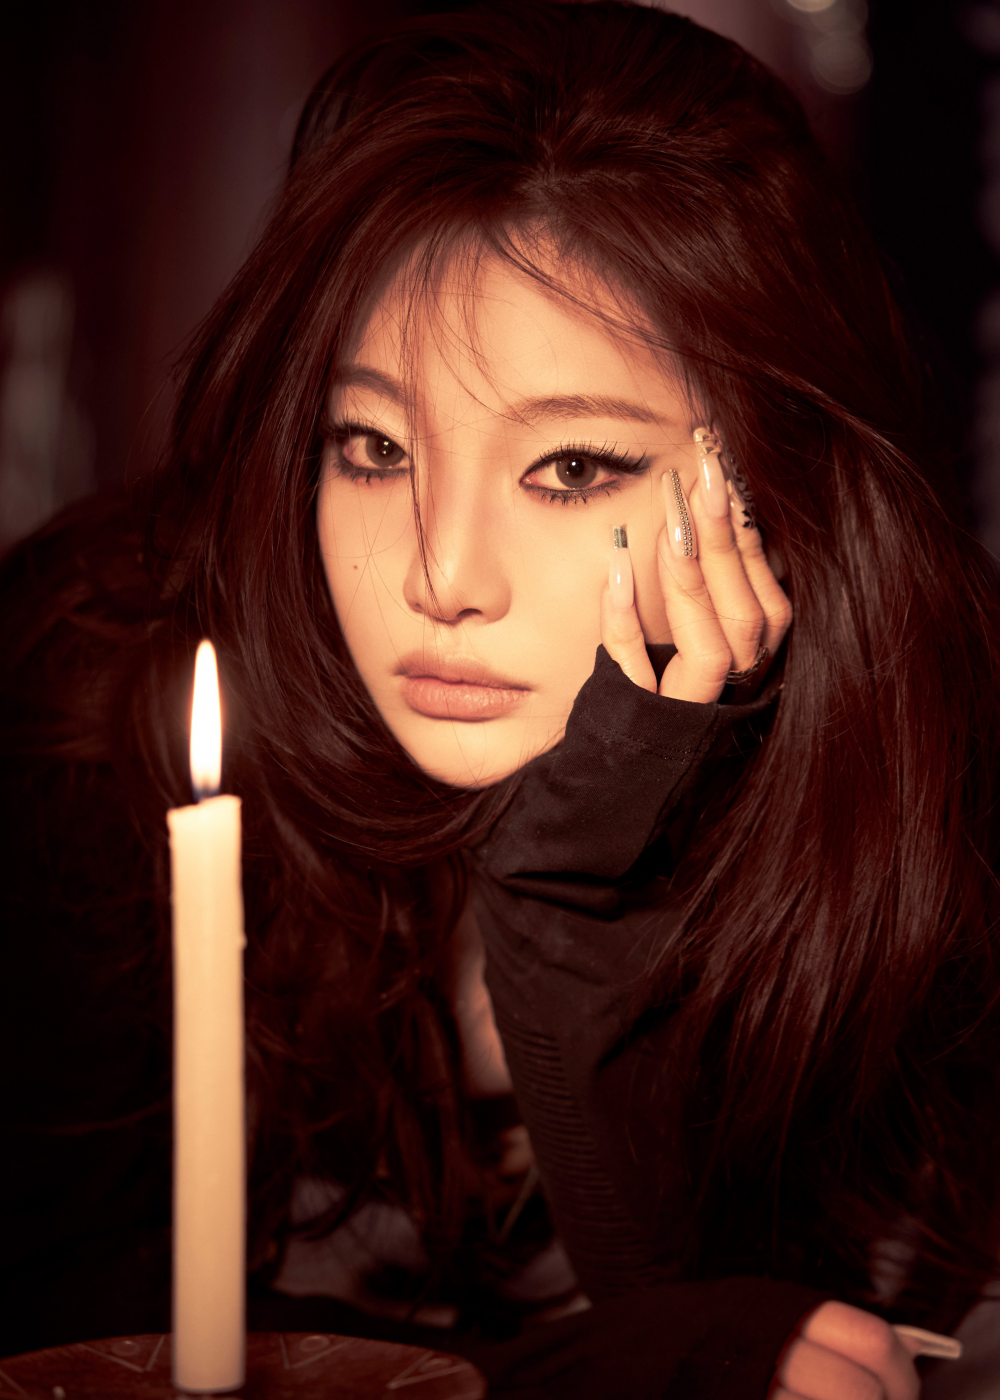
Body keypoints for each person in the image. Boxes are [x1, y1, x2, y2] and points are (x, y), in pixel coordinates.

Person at [2, 3, 999, 1396]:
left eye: (572, 469)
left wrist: (572, 871)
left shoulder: (920, 743)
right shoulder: (102, 697)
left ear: (777, 483)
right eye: (371, 447)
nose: (443, 576)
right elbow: (58, 1337)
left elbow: (768, 1327)